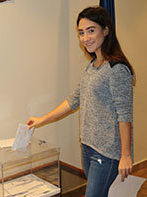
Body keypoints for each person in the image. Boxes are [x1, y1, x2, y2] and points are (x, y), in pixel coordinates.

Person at [27, 6, 135, 197]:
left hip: (107, 153)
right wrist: (42, 119)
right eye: (81, 33)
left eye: (91, 30)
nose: (85, 38)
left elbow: (124, 114)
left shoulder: (117, 69)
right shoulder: (93, 66)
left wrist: (125, 155)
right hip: (87, 146)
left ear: (106, 30)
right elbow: (73, 100)